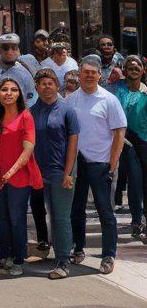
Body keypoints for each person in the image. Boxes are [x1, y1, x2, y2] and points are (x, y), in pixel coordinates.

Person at [67, 54, 126, 274]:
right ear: (79, 75)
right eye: (86, 72)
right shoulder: (71, 99)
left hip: (101, 164)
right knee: (76, 210)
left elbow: (120, 132)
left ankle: (108, 254)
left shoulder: (109, 99)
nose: (89, 76)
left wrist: (113, 163)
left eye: (93, 73)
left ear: (99, 76)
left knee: (105, 211)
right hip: (78, 163)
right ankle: (78, 248)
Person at [30, 68, 80, 278]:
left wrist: (68, 172)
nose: (47, 86)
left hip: (61, 173)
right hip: (37, 174)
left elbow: (73, 143)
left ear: (57, 85)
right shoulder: (31, 111)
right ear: (36, 87)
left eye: (50, 83)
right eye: (42, 83)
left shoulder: (67, 110)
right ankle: (50, 251)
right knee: (42, 215)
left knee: (60, 217)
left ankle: (62, 261)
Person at [0, 78, 41, 276]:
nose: (8, 93)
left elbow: (28, 149)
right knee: (1, 218)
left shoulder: (26, 116)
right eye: (4, 89)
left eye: (13, 90)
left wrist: (10, 172)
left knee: (16, 219)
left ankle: (19, 258)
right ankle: (5, 257)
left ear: (19, 94)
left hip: (18, 176)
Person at [112, 54, 147, 242]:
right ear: (124, 71)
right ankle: (136, 221)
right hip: (127, 142)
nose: (134, 69)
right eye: (130, 67)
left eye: (137, 66)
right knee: (135, 181)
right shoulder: (118, 91)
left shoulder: (146, 92)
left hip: (145, 141)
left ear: (143, 70)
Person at [0, 33, 36, 104]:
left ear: (18, 50)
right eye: (6, 48)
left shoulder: (24, 72)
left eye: (13, 48)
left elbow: (31, 100)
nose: (9, 51)